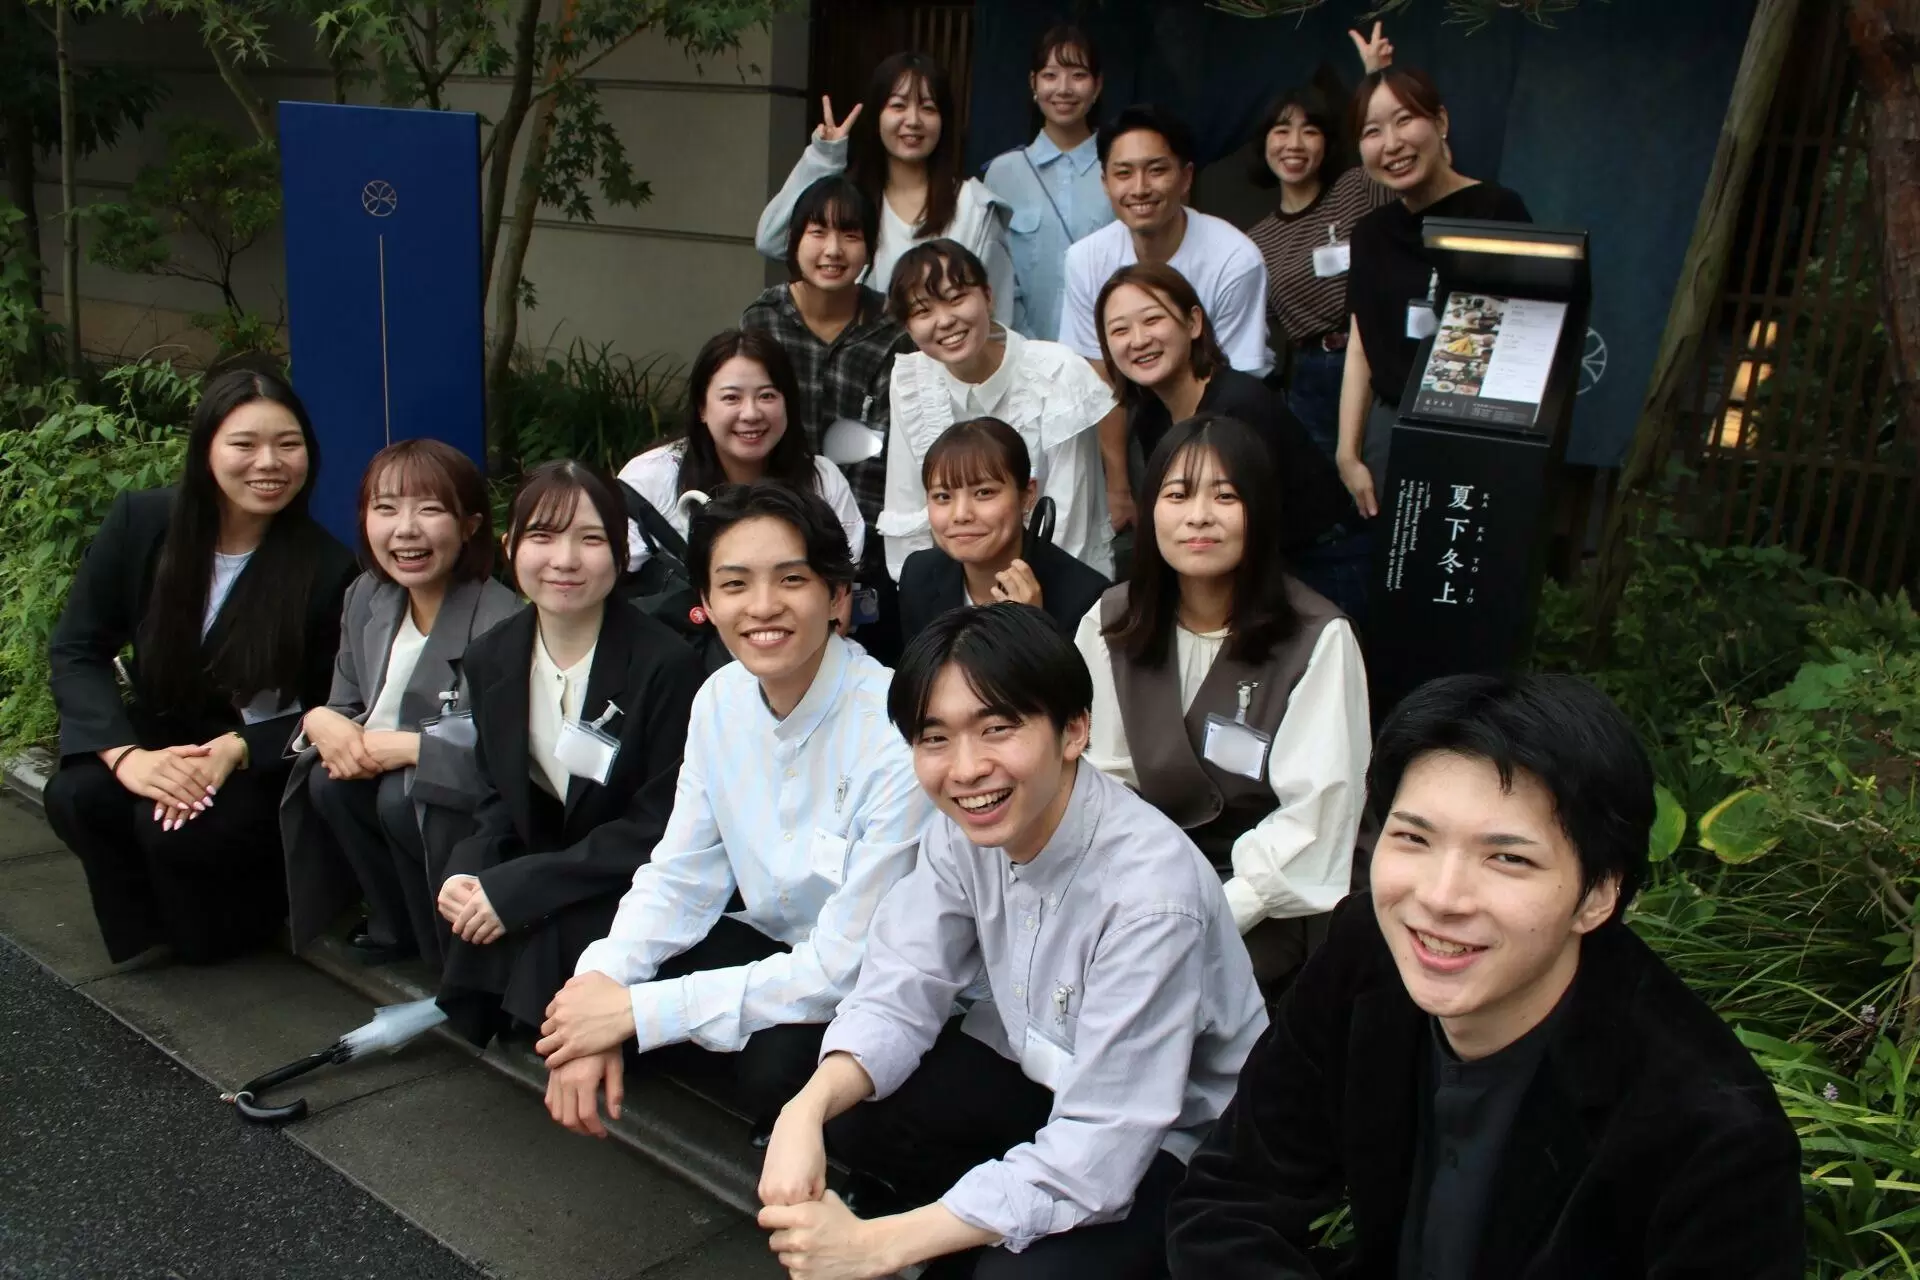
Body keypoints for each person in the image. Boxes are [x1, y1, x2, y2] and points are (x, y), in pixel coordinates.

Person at [1166, 673, 1807, 1279]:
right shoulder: (1369, 955)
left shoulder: (1712, 1135)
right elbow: (1231, 1200)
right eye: (1414, 839)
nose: (1441, 898)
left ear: (1597, 897)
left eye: (1507, 858)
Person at [757, 604, 1266, 1279]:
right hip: (1043, 1077)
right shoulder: (966, 826)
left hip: (1173, 1138)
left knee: (1016, 1276)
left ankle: (964, 1233)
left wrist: (878, 1247)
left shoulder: (1151, 898)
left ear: (1073, 730)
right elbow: (901, 986)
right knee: (825, 1090)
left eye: (997, 729)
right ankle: (967, 1221)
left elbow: (1102, 1149)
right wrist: (802, 1112)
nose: (967, 769)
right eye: (935, 738)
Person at [537, 483, 930, 1136]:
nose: (763, 606)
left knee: (776, 1066)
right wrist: (595, 999)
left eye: (792, 579)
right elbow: (682, 873)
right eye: (736, 584)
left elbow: (844, 967)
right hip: (776, 943)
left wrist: (633, 1014)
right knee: (590, 952)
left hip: (875, 982)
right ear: (707, 602)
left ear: (837, 596)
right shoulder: (720, 698)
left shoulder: (898, 734)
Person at [45, 368, 358, 965]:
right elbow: (77, 648)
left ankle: (227, 925)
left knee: (178, 831)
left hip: (254, 759)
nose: (269, 462)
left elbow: (333, 707)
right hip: (159, 736)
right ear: (206, 449)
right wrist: (127, 757)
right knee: (80, 794)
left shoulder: (327, 568)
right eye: (244, 444)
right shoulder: (143, 523)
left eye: (288, 444)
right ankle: (150, 926)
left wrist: (237, 749)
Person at [1074, 415, 1368, 994]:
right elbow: (1099, 780)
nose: (1199, 516)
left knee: (1173, 991)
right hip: (1137, 873)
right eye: (1177, 495)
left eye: (1226, 496)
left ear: (1261, 512)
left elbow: (1319, 813)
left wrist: (1212, 911)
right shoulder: (1110, 622)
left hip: (1265, 896)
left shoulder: (1317, 638)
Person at [434, 461, 701, 1046]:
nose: (565, 559)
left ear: (621, 553)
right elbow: (496, 794)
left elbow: (658, 826)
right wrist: (469, 869)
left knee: (540, 937)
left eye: (591, 539)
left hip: (635, 883)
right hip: (551, 861)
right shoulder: (491, 657)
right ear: (510, 546)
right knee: (476, 918)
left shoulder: (666, 665)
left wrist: (526, 886)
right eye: (542, 536)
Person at [281, 439, 521, 966]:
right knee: (327, 781)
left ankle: (447, 947)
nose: (405, 529)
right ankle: (395, 926)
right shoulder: (367, 596)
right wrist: (320, 720)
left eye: (429, 509)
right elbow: (344, 702)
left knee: (400, 795)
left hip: (469, 803)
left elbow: (503, 764)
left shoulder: (502, 622)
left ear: (470, 525)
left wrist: (411, 749)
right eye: (386, 508)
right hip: (383, 775)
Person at [1095, 262, 1368, 622]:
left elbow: (1250, 528)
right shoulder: (1150, 415)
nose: (1139, 340)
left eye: (1152, 320)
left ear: (1193, 322)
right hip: (1245, 567)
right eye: (1119, 330)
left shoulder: (1239, 407)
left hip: (1316, 564)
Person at [1060, 104, 1271, 534]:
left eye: (1156, 170)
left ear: (1186, 177)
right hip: (1137, 416)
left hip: (1227, 422)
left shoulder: (1234, 258)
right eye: (1123, 173)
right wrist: (1118, 486)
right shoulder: (1085, 259)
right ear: (1105, 182)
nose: (1140, 188)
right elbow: (1099, 378)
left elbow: (1235, 387)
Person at [1338, 66, 1530, 517]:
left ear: (1440, 122)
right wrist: (1348, 453)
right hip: (1389, 429)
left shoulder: (1497, 212)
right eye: (1372, 131)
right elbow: (1360, 345)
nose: (1391, 144)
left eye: (1404, 120)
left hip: (1477, 431)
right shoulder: (1371, 234)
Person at [879, 239, 1117, 583]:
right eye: (922, 311)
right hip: (955, 588)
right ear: (908, 328)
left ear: (988, 296)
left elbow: (1068, 520)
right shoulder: (911, 379)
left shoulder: (1057, 372)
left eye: (956, 298)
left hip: (1057, 586)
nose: (944, 321)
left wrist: (1022, 603)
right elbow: (907, 507)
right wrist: (925, 595)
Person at [757, 52, 1012, 326]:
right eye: (898, 106)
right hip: (857, 352)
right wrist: (823, 158)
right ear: (876, 116)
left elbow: (997, 316)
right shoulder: (849, 202)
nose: (913, 120)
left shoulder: (975, 208)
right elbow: (772, 240)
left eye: (928, 108)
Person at [742, 175, 917, 532]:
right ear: (795, 241)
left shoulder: (892, 331)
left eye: (850, 235)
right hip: (769, 512)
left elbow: (884, 452)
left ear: (870, 246)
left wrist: (852, 539)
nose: (833, 250)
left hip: (860, 522)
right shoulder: (764, 319)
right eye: (818, 233)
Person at [617, 329, 865, 572]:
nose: (751, 414)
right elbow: (615, 576)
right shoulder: (650, 479)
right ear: (702, 408)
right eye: (731, 398)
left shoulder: (823, 481)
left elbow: (840, 583)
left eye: (767, 396)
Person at [1242, 70, 1391, 459]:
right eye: (1281, 130)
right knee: (1320, 483)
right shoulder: (1254, 243)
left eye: (1309, 131)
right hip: (1313, 374)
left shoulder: (1357, 187)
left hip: (1379, 355)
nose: (1294, 144)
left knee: (1382, 470)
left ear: (1327, 142)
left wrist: (1376, 78)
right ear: (1264, 142)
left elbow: (1395, 160)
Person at [897, 417, 1110, 644]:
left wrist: (1034, 633)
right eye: (942, 496)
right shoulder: (919, 575)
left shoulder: (1086, 600)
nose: (960, 515)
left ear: (1027, 496)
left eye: (984, 493)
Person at [982, 24, 1114, 342]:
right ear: (1033, 83)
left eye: (1078, 75)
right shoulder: (1002, 173)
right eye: (1050, 75)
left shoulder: (1120, 170)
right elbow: (993, 272)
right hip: (1019, 352)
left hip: (1105, 352)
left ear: (1097, 86)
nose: (1064, 89)